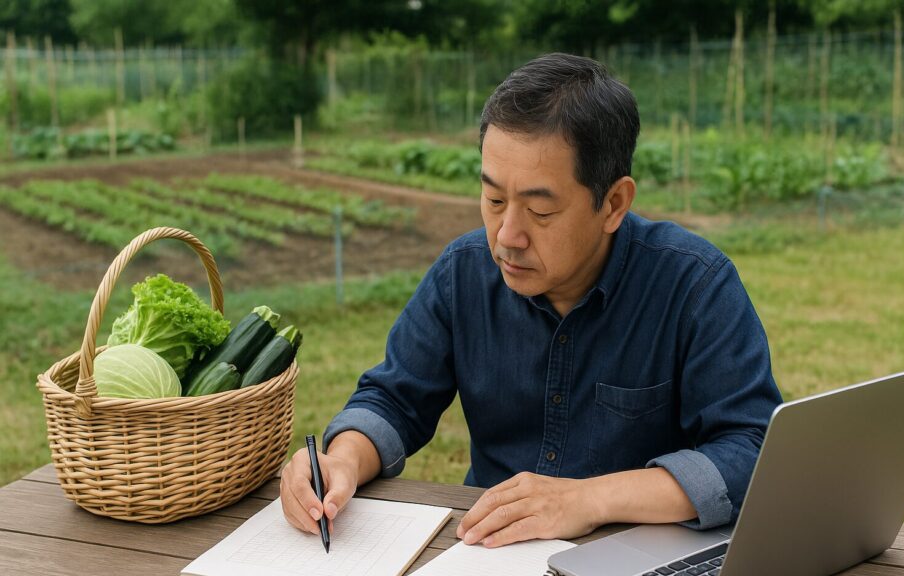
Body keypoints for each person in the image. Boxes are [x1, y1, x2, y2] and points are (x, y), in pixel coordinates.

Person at [280, 52, 782, 548]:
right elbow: (393, 400)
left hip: (637, 558)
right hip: (490, 557)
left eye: (540, 210)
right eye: (494, 201)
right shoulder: (464, 273)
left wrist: (589, 500)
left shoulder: (694, 285)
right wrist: (342, 460)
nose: (507, 236)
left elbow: (754, 450)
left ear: (613, 204)